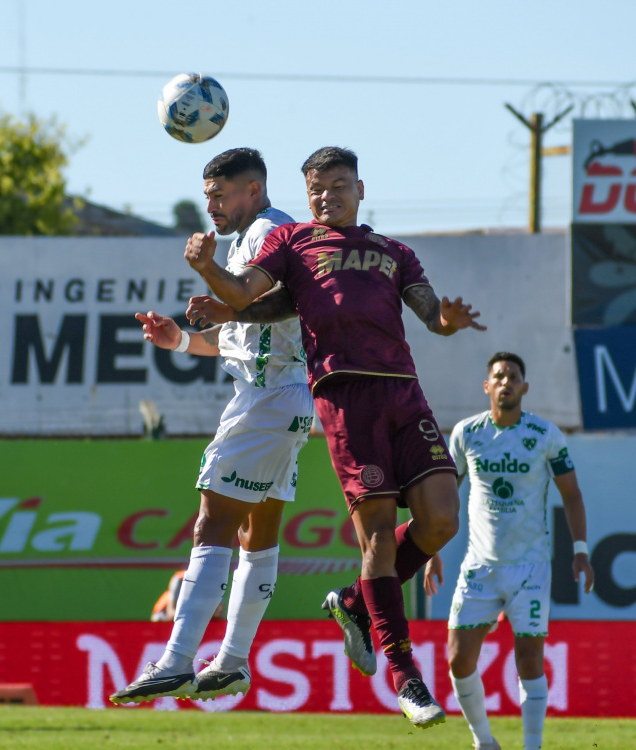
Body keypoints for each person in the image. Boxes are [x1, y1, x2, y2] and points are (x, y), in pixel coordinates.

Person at [182, 146, 485, 729]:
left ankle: (352, 602)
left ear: (361, 189)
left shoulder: (394, 253)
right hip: (345, 399)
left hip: (405, 393)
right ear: (308, 194)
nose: (328, 197)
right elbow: (250, 295)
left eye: (339, 185)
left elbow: (430, 316)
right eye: (317, 189)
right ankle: (405, 676)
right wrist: (209, 272)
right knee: (377, 540)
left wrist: (449, 318)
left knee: (442, 520)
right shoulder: (295, 243)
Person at [110, 148, 314, 705]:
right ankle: (230, 662)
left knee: (212, 522)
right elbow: (243, 329)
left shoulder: (274, 234)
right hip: (281, 395)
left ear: (253, 189)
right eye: (207, 197)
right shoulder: (255, 240)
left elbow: (245, 299)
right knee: (257, 532)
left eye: (220, 195)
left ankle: (177, 661)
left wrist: (207, 269)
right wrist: (177, 339)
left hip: (268, 399)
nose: (212, 206)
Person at [424, 352, 594, 750]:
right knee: (458, 660)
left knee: (530, 659)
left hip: (530, 568)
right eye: (499, 376)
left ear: (524, 387)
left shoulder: (545, 435)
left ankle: (532, 746)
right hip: (479, 567)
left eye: (513, 376)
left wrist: (581, 551)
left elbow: (571, 494)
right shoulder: (466, 434)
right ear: (487, 386)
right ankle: (484, 741)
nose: (506, 382)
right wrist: (431, 548)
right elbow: (447, 497)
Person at [150, 569, 224, 623]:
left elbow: (219, 614)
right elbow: (171, 613)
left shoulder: (213, 581)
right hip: (163, 617)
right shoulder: (181, 578)